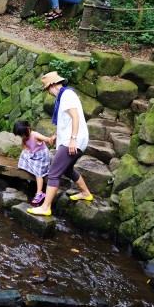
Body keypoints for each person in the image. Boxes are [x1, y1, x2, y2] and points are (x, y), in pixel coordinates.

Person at [28, 71, 93, 216]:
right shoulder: (65, 95)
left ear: (52, 85)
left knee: (53, 173)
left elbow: (75, 118)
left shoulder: (67, 96)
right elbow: (67, 120)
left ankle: (45, 208)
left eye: (47, 89)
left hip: (74, 140)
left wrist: (73, 139)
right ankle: (85, 192)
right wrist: (56, 135)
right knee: (67, 169)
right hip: (73, 139)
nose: (49, 93)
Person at [13, 120, 53, 206]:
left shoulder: (35, 135)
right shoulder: (24, 138)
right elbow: (25, 145)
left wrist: (50, 139)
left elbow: (46, 139)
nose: (23, 137)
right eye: (21, 135)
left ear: (29, 128)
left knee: (38, 174)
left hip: (42, 157)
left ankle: (39, 193)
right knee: (23, 154)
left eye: (23, 134)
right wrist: (27, 149)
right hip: (34, 155)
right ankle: (31, 168)